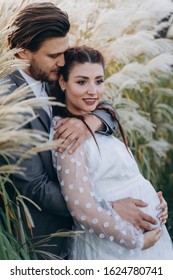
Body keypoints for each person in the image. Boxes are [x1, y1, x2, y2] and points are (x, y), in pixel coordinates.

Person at [0, 2, 167, 259]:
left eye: (64, 51)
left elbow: (106, 107)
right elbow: (36, 188)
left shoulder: (54, 76)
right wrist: (110, 209)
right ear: (23, 53)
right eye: (54, 55)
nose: (63, 61)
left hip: (99, 231)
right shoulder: (6, 98)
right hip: (48, 239)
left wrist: (89, 122)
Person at [50, 45, 173, 259]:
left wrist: (155, 202)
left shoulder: (96, 122)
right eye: (81, 82)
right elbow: (83, 210)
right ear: (63, 82)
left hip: (149, 242)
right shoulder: (68, 133)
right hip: (115, 249)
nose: (93, 91)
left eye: (99, 81)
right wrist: (136, 241)